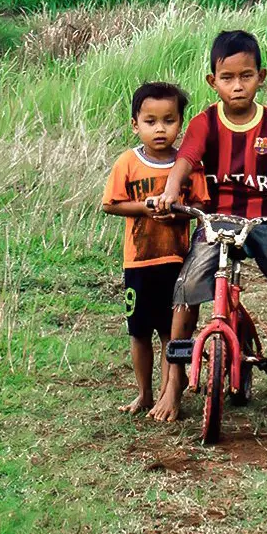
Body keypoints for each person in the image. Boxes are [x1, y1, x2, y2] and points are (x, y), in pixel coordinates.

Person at [153, 28, 267, 412]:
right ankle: (174, 380)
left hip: (266, 219)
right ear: (213, 82)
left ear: (261, 76)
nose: (237, 86)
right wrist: (171, 191)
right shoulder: (204, 124)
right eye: (227, 78)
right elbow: (185, 162)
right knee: (188, 287)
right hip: (215, 218)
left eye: (246, 76)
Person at [99, 80, 191, 419]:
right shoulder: (127, 162)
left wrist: (176, 210)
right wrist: (146, 208)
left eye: (169, 120)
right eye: (150, 121)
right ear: (135, 124)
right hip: (138, 261)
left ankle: (170, 392)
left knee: (170, 330)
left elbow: (199, 204)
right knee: (139, 332)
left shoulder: (186, 165)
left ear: (181, 123)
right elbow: (110, 204)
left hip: (176, 260)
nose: (160, 129)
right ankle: (144, 393)